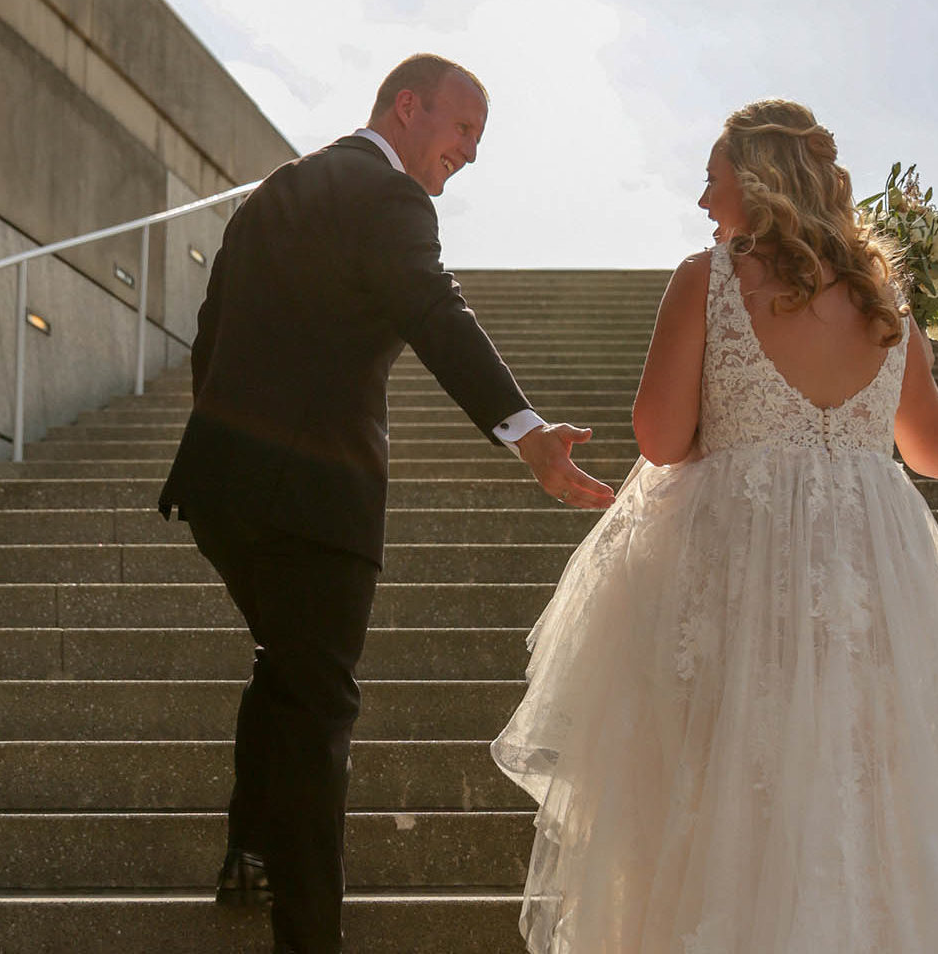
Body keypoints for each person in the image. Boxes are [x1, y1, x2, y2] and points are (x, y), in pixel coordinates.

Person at [492, 100, 938, 952]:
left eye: (712, 178)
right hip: (867, 569)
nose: (701, 199)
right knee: (863, 789)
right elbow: (936, 454)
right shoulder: (882, 299)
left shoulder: (711, 278)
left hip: (737, 559)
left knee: (727, 787)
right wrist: (911, 356)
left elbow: (659, 439)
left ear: (755, 183)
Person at [159, 53, 616, 954]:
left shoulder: (274, 192)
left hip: (222, 490)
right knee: (320, 701)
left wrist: (237, 442)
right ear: (408, 108)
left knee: (287, 666)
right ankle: (307, 933)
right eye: (463, 130)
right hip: (317, 501)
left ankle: (250, 848)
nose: (470, 155)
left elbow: (208, 340)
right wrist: (526, 433)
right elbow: (435, 311)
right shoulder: (393, 199)